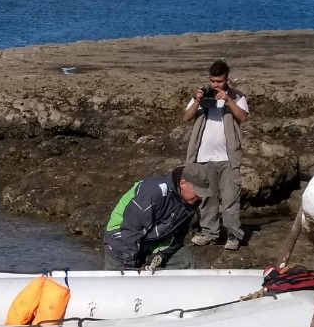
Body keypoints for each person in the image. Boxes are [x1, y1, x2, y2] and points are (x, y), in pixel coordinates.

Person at [183, 59, 249, 251]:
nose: (215, 85)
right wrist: (197, 100)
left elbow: (243, 117)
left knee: (230, 199)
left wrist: (227, 100)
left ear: (227, 79)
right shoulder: (203, 95)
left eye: (219, 81)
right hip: (204, 157)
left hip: (228, 158)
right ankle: (209, 233)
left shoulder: (237, 96)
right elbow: (186, 117)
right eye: (212, 81)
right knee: (207, 198)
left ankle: (233, 235)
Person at [103, 164, 213, 271]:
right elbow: (131, 229)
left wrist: (160, 255)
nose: (199, 198)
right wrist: (130, 266)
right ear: (183, 183)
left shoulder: (191, 202)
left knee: (186, 261)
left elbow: (178, 234)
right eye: (197, 193)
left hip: (152, 241)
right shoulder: (153, 192)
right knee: (121, 283)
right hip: (121, 239)